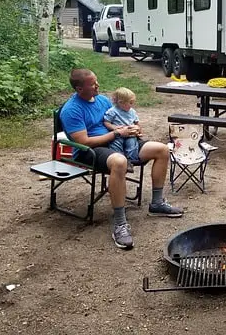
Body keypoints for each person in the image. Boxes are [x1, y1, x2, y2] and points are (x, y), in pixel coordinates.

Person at [59, 68, 183, 250]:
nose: (97, 85)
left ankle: (156, 203)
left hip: (120, 141)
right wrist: (117, 133)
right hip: (91, 150)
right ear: (79, 89)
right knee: (119, 162)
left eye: (97, 80)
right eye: (93, 84)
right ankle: (120, 223)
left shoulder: (101, 100)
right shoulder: (71, 110)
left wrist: (133, 129)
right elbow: (84, 141)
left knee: (161, 149)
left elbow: (116, 118)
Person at [103, 87, 142, 162]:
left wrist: (138, 130)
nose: (132, 105)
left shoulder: (132, 112)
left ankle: (132, 160)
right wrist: (114, 127)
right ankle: (120, 159)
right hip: (118, 134)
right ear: (120, 102)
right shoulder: (113, 111)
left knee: (132, 144)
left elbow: (137, 123)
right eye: (130, 102)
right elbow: (106, 122)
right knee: (115, 144)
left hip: (130, 134)